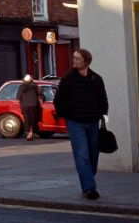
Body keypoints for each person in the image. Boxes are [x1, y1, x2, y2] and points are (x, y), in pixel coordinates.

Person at [54, 48, 109, 200]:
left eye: (78, 59)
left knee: (93, 155)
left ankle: (87, 177)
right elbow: (58, 100)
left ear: (86, 61)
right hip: (75, 122)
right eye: (74, 58)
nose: (75, 61)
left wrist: (103, 114)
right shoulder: (68, 79)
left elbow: (103, 99)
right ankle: (90, 188)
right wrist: (66, 115)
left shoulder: (96, 79)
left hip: (92, 122)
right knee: (82, 155)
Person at [18, 74, 42, 141]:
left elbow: (18, 96)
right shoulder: (35, 87)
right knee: (33, 119)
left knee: (27, 119)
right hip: (34, 105)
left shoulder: (22, 87)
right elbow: (41, 95)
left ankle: (28, 133)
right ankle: (32, 132)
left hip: (25, 105)